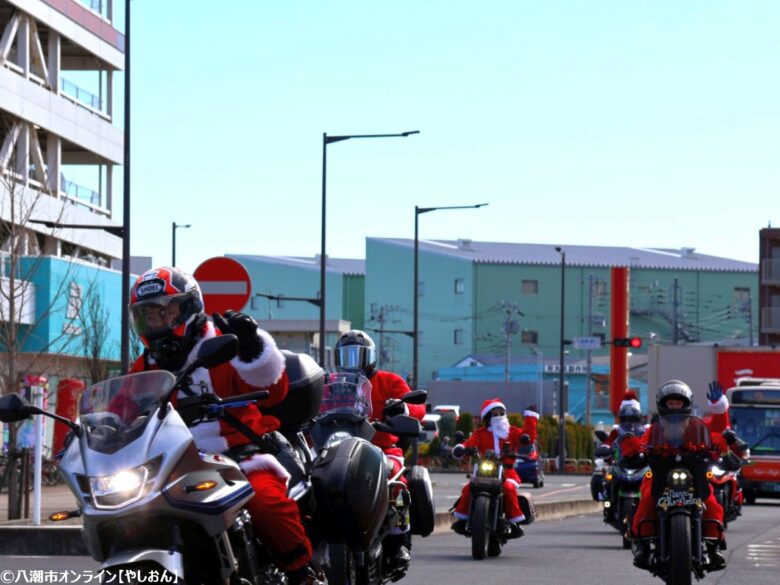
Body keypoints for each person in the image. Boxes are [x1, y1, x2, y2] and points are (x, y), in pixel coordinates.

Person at [129, 266, 321, 585]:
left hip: (239, 455)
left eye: (166, 311)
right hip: (173, 465)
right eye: (148, 315)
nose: (156, 322)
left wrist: (251, 346)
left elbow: (274, 389)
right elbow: (124, 407)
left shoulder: (223, 344)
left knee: (267, 504)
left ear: (188, 308)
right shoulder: (146, 364)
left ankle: (303, 574)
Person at [333, 329, 426, 578]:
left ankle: (399, 543)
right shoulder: (332, 382)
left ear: (371, 356)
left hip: (383, 448)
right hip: (339, 447)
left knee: (397, 482)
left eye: (359, 355)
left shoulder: (389, 380)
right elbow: (314, 406)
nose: (353, 362)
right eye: (347, 356)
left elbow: (418, 408)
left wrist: (402, 406)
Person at [622, 380, 737, 572]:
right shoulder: (655, 428)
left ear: (686, 404)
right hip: (661, 475)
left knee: (712, 504)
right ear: (663, 404)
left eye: (678, 403)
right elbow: (642, 444)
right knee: (646, 500)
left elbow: (716, 428)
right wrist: (634, 451)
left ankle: (713, 547)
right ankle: (642, 546)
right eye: (671, 403)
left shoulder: (696, 425)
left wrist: (719, 408)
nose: (675, 407)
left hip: (694, 476)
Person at [450, 399, 540, 537]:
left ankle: (513, 522)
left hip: (507, 472)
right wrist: (462, 448)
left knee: (509, 488)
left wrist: (531, 416)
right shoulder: (480, 433)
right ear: (487, 417)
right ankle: (463, 519)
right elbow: (470, 443)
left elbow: (529, 436)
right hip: (484, 472)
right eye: (495, 413)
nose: (499, 415)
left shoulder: (512, 432)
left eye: (501, 412)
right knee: (469, 488)